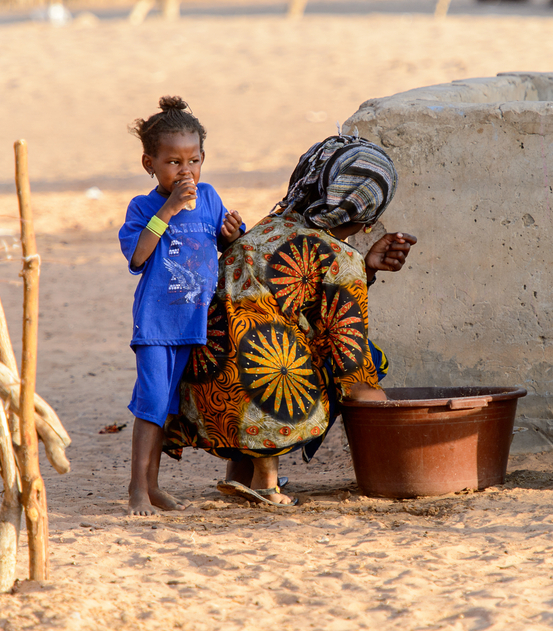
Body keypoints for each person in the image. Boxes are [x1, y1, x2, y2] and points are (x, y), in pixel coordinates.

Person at [163, 135, 417, 506]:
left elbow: (289, 295)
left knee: (259, 333)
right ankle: (266, 483)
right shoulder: (340, 259)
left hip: (203, 392)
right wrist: (401, 430)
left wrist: (365, 269)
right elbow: (351, 363)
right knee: (363, 360)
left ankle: (240, 473)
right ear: (369, 218)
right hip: (260, 391)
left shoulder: (271, 225)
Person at [118, 96, 244, 516]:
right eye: (173, 162)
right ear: (149, 163)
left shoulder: (209, 198)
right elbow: (137, 256)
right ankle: (138, 489)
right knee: (151, 405)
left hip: (196, 322)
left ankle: (153, 488)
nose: (184, 170)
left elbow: (222, 249)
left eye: (193, 160)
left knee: (168, 409)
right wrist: (169, 209)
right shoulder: (143, 207)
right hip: (158, 324)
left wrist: (230, 234)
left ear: (203, 158)